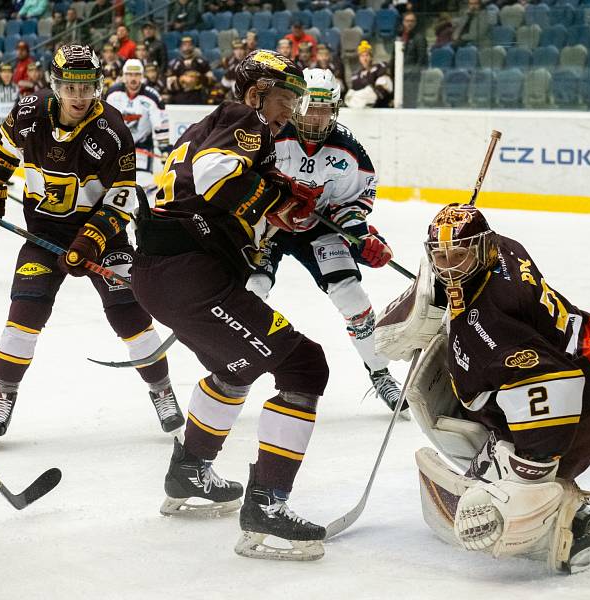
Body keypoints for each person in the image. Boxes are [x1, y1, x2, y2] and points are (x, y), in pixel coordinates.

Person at [131, 50, 328, 560]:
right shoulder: (246, 120)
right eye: (283, 98)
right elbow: (217, 176)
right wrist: (278, 198)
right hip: (190, 275)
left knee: (233, 370)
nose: (290, 111)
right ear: (256, 92)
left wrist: (281, 195)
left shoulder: (212, 123)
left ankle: (188, 472)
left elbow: (212, 184)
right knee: (305, 365)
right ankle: (267, 505)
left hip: (169, 275)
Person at [375, 202, 590, 570]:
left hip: (584, 398)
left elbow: (550, 384)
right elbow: (450, 267)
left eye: (459, 257)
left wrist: (529, 473)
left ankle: (585, 529)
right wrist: (434, 289)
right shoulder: (504, 247)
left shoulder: (490, 325)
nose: (449, 268)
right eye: (441, 257)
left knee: (518, 484)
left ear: (482, 248)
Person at [0, 44, 184, 444]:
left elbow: (123, 196)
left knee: (128, 314)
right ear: (55, 85)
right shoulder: (27, 113)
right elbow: (3, 153)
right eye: (70, 87)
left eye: (87, 87)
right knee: (24, 313)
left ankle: (161, 389)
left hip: (103, 236)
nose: (79, 97)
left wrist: (91, 240)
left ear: (97, 86)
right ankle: (3, 394)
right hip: (43, 235)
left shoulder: (113, 131)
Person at [246, 68, 404, 414]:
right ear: (298, 104)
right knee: (251, 292)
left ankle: (379, 372)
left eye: (325, 109)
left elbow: (354, 203)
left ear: (335, 110)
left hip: (319, 227)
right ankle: (234, 368)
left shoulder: (349, 150)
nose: (316, 117)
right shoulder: (269, 132)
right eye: (310, 108)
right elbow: (242, 179)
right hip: (270, 226)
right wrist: (267, 207)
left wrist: (360, 236)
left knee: (351, 294)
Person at [106, 59, 170, 179]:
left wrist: (164, 148)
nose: (133, 78)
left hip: (142, 146)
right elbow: (104, 121)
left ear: (142, 76)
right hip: (117, 146)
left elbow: (161, 125)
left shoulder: (152, 97)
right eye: (129, 74)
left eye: (137, 74)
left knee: (141, 181)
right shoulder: (112, 94)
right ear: (124, 76)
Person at [344, 41, 393, 108]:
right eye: (362, 56)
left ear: (371, 57)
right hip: (362, 112)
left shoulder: (380, 67)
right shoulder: (355, 76)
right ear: (359, 59)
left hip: (381, 109)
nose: (365, 59)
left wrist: (360, 96)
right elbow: (350, 97)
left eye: (367, 55)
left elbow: (382, 91)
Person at [0, 64, 19, 155]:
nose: (6, 75)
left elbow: (17, 108)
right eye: (4, 72)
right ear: (0, 74)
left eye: (9, 72)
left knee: (7, 152)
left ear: (12, 74)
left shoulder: (15, 88)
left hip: (8, 126)